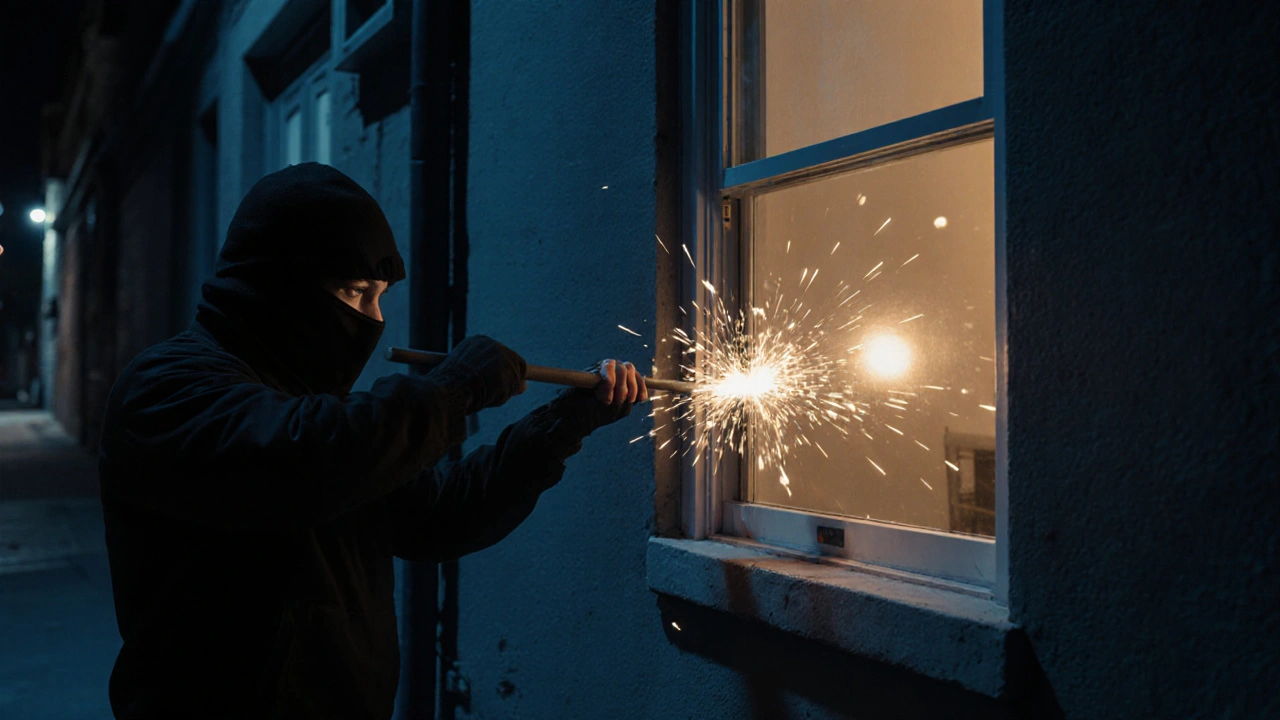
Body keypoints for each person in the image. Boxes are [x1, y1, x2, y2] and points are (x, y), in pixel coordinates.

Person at [97, 163, 647, 719]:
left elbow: (436, 513)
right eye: (356, 291)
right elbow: (300, 463)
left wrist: (562, 424)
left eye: (379, 296)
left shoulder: (314, 406)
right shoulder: (166, 387)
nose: (373, 319)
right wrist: (454, 389)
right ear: (277, 281)